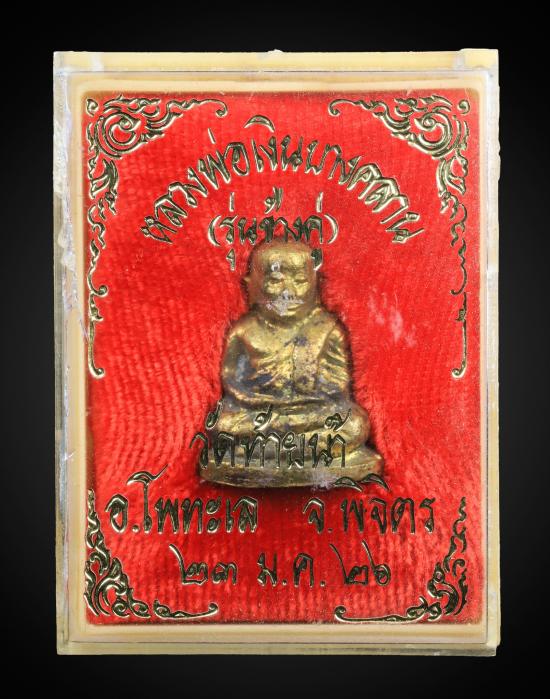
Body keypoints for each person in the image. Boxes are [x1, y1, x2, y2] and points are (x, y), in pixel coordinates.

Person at [201, 238, 382, 487]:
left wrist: (308, 388)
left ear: (316, 284)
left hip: (313, 414)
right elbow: (233, 384)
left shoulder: (326, 329)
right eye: (276, 280)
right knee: (223, 424)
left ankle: (268, 451)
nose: (289, 292)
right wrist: (266, 398)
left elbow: (339, 385)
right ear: (251, 285)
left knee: (354, 424)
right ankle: (304, 450)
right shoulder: (244, 332)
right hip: (260, 416)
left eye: (300, 280)